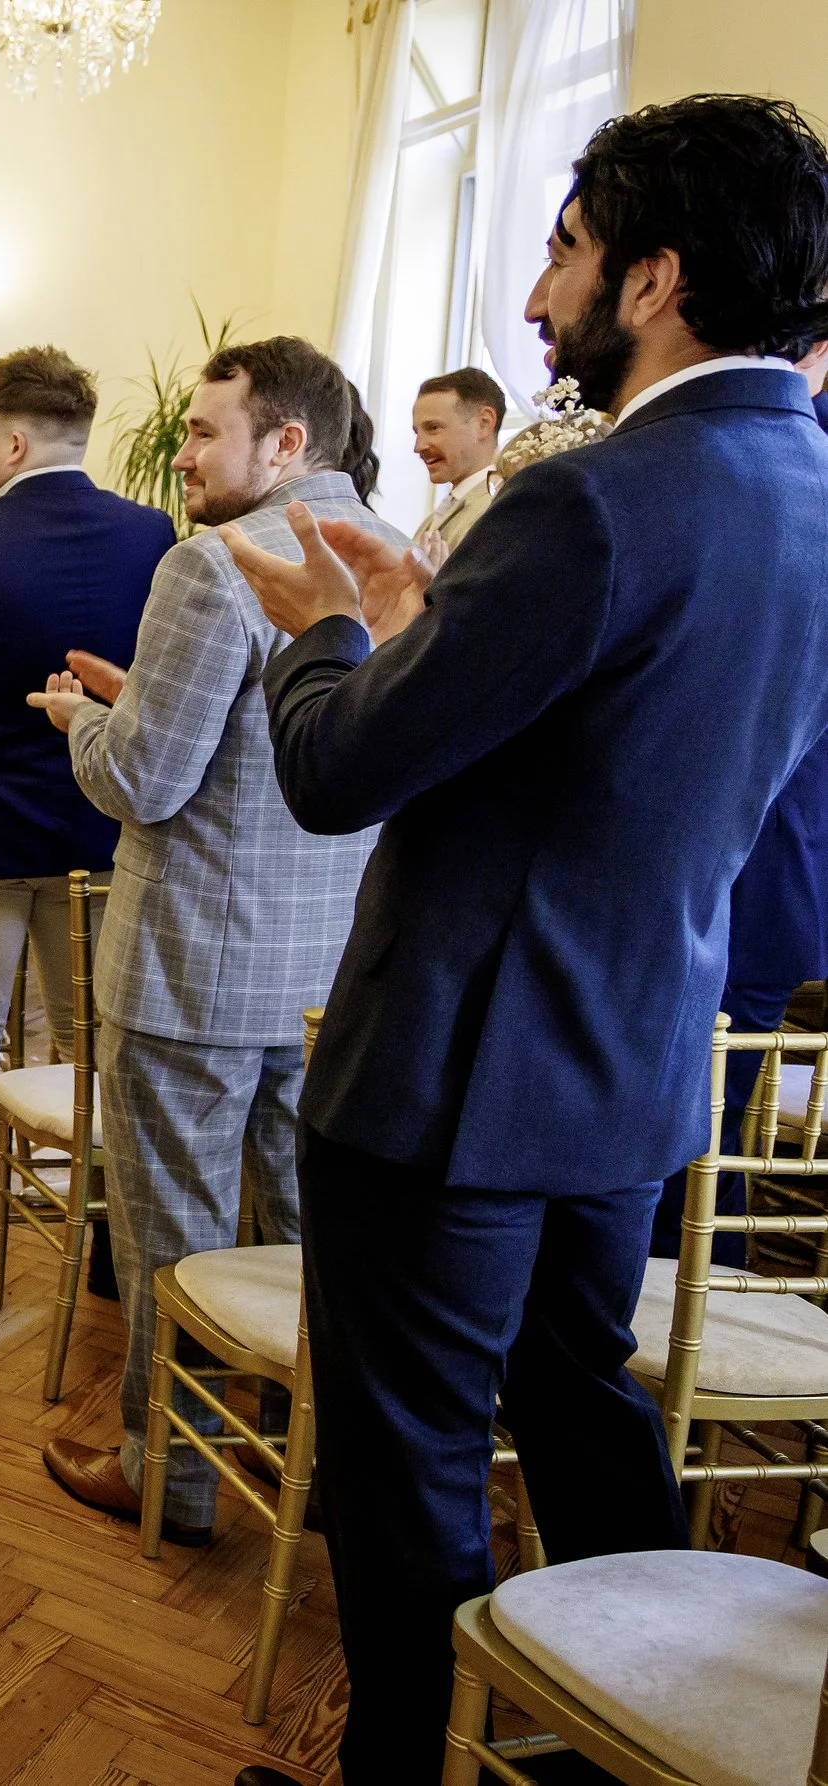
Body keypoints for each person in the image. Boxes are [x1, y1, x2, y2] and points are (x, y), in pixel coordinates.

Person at [223, 94, 828, 1786]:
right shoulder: (806, 480)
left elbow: (341, 771)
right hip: (631, 1067)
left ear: (659, 273)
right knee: (581, 1408)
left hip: (452, 1080)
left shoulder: (598, 501)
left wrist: (332, 632)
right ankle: (601, 1743)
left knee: (415, 1465)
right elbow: (629, 750)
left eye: (566, 248)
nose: (541, 293)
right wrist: (432, 633)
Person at [29, 337, 398, 1549]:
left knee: (171, 1243)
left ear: (283, 442)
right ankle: (303, 1469)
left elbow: (143, 781)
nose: (181, 454)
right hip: (324, 977)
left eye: (202, 431)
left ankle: (172, 1478)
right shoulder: (393, 557)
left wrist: (90, 718)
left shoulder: (212, 564)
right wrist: (144, 694)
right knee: (303, 1247)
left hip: (189, 971)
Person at [0, 345, 173, 1260]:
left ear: (12, 441)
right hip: (102, 822)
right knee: (89, 1033)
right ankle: (99, 1233)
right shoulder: (152, 536)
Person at [649, 338, 828, 1271]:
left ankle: (658, 1362)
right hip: (733, 869)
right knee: (684, 1161)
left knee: (685, 1165)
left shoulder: (783, 456)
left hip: (753, 872)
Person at [408, 366, 505, 565]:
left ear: (484, 423)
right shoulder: (439, 514)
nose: (418, 446)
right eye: (417, 432)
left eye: (433, 428)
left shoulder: (497, 510)